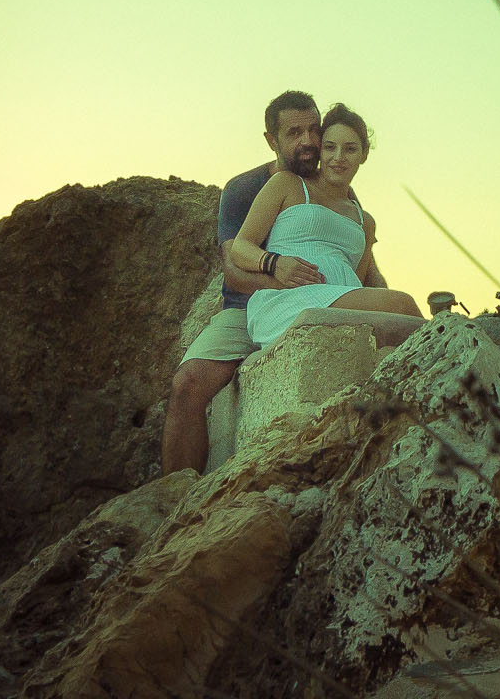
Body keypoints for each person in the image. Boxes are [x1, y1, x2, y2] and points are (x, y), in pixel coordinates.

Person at [161, 90, 391, 475]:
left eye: (313, 130)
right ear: (272, 140)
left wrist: (376, 297)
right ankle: (174, 492)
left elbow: (361, 264)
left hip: (321, 294)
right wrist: (281, 275)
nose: (308, 141)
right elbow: (234, 270)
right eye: (294, 133)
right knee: (188, 383)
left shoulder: (341, 191)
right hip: (247, 304)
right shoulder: (246, 188)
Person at [231, 100, 423, 348]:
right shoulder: (287, 184)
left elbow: (356, 279)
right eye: (330, 147)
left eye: (350, 149)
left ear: (364, 155)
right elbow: (240, 247)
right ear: (320, 150)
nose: (338, 158)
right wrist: (275, 263)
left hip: (342, 303)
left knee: (400, 328)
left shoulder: (365, 221)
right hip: (291, 300)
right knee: (402, 305)